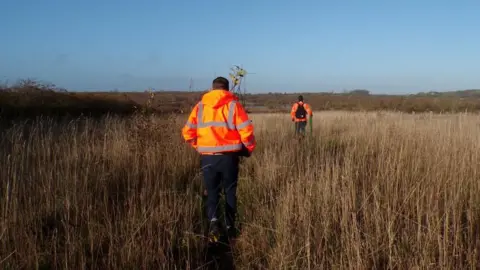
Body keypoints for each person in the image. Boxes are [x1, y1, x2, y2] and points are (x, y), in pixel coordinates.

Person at [181, 76, 256, 242]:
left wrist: (200, 146)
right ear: (227, 89)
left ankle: (214, 224)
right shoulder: (234, 106)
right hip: (230, 158)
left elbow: (187, 133)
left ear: (212, 88)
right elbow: (246, 131)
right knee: (230, 191)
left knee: (212, 192)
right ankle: (230, 228)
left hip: (208, 158)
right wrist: (248, 149)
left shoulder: (200, 107)